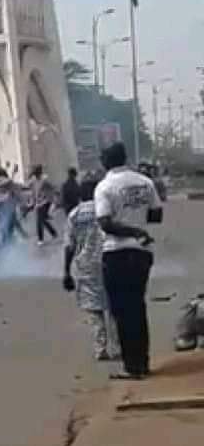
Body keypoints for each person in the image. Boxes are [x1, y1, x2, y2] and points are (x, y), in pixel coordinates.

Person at [95, 142, 163, 380]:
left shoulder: (105, 186)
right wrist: (139, 226)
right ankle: (142, 362)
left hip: (117, 253)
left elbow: (104, 223)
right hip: (142, 252)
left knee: (122, 311)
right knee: (138, 306)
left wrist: (131, 230)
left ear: (106, 161)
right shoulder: (145, 182)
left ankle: (131, 366)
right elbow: (157, 214)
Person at [63, 177, 120, 361]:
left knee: (94, 310)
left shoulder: (75, 214)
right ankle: (118, 347)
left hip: (85, 266)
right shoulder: (107, 210)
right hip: (109, 260)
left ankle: (100, 348)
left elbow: (69, 246)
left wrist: (66, 271)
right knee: (114, 306)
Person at [30, 166, 57, 245]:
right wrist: (33, 202)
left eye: (36, 173)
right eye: (35, 174)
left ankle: (40, 239)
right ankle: (53, 233)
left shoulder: (44, 180)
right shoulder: (33, 181)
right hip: (38, 203)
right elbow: (33, 192)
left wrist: (52, 198)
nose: (35, 175)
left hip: (45, 202)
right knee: (43, 220)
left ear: (40, 173)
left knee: (39, 220)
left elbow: (52, 187)